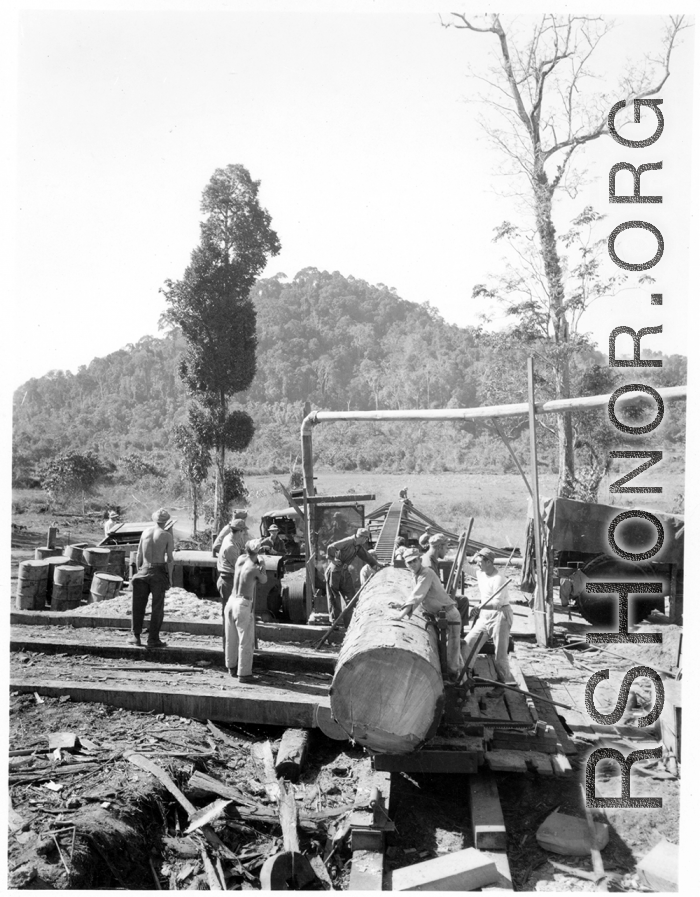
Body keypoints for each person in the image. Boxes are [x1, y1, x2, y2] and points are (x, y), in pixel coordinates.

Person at [396, 547, 462, 680]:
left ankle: (454, 679)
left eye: (415, 561)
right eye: (409, 563)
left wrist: (400, 616)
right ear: (406, 564)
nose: (412, 564)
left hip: (450, 615)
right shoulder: (416, 575)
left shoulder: (427, 573)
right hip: (439, 614)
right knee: (445, 649)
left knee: (453, 649)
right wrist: (402, 606)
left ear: (420, 560)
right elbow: (415, 594)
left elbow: (418, 595)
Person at [462, 547, 513, 696]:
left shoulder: (498, 579)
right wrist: (462, 548)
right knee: (468, 642)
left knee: (500, 654)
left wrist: (479, 606)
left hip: (500, 615)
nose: (477, 565)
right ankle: (466, 675)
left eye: (480, 562)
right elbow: (465, 567)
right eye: (477, 563)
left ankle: (501, 685)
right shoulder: (480, 573)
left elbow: (497, 603)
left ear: (489, 562)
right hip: (485, 615)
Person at [129, 508, 174, 648]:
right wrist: (170, 578)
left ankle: (135, 637)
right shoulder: (167, 536)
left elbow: (138, 556)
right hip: (158, 572)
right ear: (167, 521)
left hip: (143, 570)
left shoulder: (145, 532)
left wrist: (140, 571)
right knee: (157, 607)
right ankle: (153, 639)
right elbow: (170, 559)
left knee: (138, 606)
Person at [226, 540, 267, 683]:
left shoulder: (240, 559)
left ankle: (231, 667)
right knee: (245, 640)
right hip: (243, 603)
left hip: (231, 600)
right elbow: (263, 580)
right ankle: (244, 674)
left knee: (231, 637)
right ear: (259, 551)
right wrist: (262, 564)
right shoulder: (255, 568)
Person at [325, 527, 380, 624]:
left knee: (350, 596)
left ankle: (349, 623)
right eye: (366, 539)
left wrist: (378, 566)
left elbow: (367, 557)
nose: (366, 541)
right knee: (334, 596)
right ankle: (334, 622)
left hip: (344, 571)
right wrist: (332, 559)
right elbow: (331, 547)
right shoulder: (348, 541)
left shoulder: (358, 546)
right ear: (362, 538)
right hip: (335, 571)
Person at [216, 518, 249, 652]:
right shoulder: (230, 546)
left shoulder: (231, 539)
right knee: (229, 615)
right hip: (228, 580)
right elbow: (239, 567)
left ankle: (230, 646)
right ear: (239, 531)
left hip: (229, 579)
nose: (244, 534)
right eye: (243, 532)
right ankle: (228, 648)